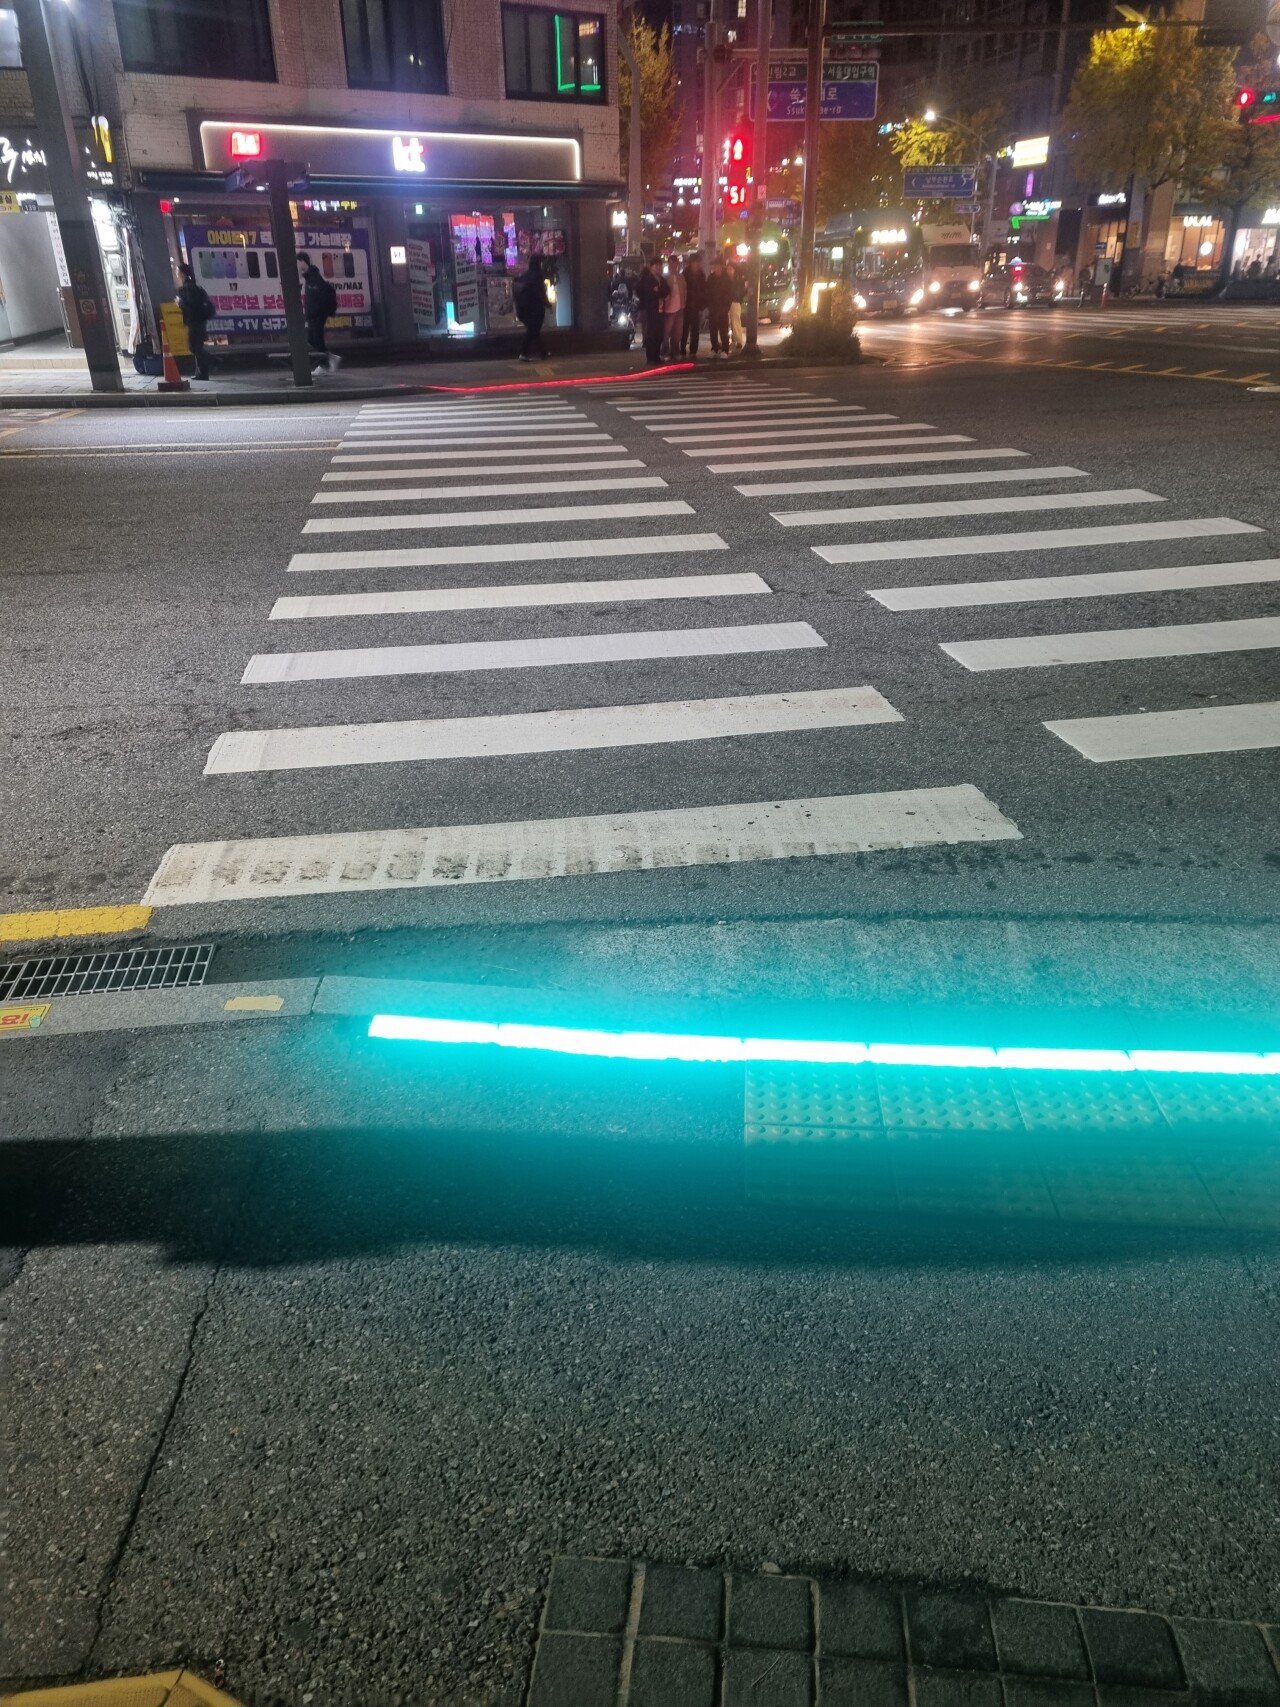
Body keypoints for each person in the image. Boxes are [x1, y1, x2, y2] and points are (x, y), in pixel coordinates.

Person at [298, 253, 341, 370]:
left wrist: (314, 312)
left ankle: (322, 366)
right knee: (313, 340)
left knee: (316, 340)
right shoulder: (309, 277)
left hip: (317, 315)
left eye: (298, 262)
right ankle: (330, 359)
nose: (297, 266)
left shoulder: (314, 277)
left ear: (303, 262)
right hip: (314, 315)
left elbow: (316, 298)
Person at [176, 263, 214, 381]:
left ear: (182, 273)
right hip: (200, 320)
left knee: (193, 347)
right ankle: (201, 374)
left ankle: (206, 366)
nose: (177, 274)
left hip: (194, 321)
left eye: (178, 271)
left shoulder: (186, 288)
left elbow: (191, 305)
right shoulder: (195, 286)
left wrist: (180, 303)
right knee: (197, 346)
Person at [634, 256, 668, 364]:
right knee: (651, 334)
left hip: (660, 309)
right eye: (656, 266)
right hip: (650, 309)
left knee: (659, 334)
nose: (658, 268)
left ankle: (656, 356)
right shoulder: (648, 279)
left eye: (660, 266)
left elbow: (666, 290)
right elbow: (648, 293)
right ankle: (651, 357)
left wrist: (658, 290)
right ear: (651, 267)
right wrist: (657, 292)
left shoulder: (661, 279)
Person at [515, 253, 549, 360]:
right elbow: (540, 292)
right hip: (535, 308)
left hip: (523, 308)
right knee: (533, 330)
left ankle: (542, 352)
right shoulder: (537, 276)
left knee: (534, 330)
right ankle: (524, 352)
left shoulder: (525, 276)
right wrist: (547, 303)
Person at [706, 255, 733, 356]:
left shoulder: (726, 279)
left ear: (722, 267)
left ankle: (725, 350)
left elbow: (730, 294)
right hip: (713, 308)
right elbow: (707, 293)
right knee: (713, 330)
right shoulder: (710, 278)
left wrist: (726, 307)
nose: (717, 268)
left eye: (719, 266)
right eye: (715, 266)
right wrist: (709, 306)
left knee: (723, 330)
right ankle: (714, 348)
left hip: (723, 308)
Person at [681, 254, 706, 358]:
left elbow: (704, 290)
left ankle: (693, 351)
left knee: (695, 330)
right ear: (691, 263)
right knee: (684, 329)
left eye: (699, 262)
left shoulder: (701, 275)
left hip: (696, 306)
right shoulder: (685, 273)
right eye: (695, 262)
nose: (697, 264)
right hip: (686, 305)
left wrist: (702, 305)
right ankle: (682, 350)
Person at [662, 256, 686, 360]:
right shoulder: (665, 277)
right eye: (671, 263)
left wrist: (683, 302)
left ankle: (675, 351)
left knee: (677, 332)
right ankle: (665, 351)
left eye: (674, 263)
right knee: (666, 332)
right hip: (668, 309)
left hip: (679, 307)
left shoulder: (681, 277)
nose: (672, 266)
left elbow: (684, 290)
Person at [726, 261, 747, 351]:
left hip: (735, 302)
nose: (729, 271)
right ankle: (729, 339)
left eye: (730, 269)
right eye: (727, 269)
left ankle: (738, 341)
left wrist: (738, 298)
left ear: (734, 270)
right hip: (727, 302)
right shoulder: (725, 280)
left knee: (735, 322)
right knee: (726, 322)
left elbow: (742, 291)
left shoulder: (738, 280)